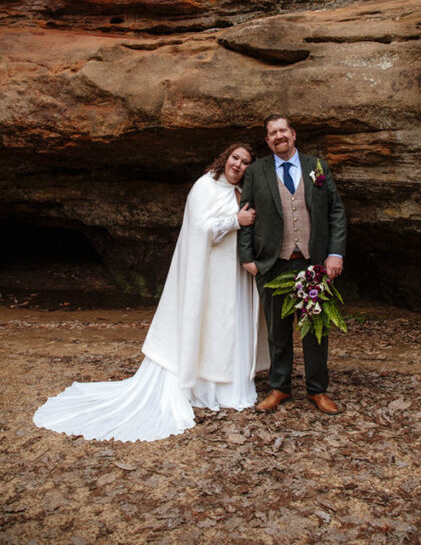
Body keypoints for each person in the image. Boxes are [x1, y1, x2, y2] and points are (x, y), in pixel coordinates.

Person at [34, 143, 269, 442]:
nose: (238, 164)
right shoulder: (204, 185)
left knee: (228, 325)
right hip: (208, 272)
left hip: (233, 272)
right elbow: (199, 230)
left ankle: (229, 386)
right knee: (211, 323)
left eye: (246, 162)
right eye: (235, 158)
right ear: (226, 158)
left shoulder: (240, 192)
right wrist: (235, 221)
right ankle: (203, 386)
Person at [238, 114, 347, 415]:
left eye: (282, 130)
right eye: (272, 133)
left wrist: (335, 253)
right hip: (273, 263)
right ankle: (280, 387)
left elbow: (336, 212)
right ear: (267, 140)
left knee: (316, 330)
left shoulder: (317, 167)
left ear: (294, 134)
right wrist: (248, 258)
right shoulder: (257, 171)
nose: (278, 136)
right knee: (278, 330)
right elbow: (246, 216)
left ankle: (317, 390)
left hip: (313, 263)